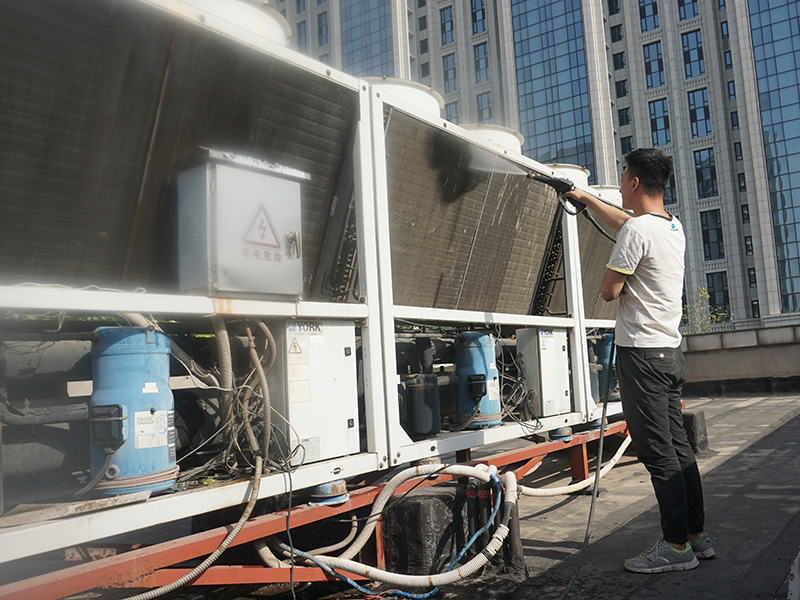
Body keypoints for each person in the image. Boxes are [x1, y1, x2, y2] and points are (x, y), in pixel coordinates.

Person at [561, 148, 715, 573]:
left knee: (658, 453)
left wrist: (628, 286)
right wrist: (585, 197)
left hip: (642, 358)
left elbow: (609, 291)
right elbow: (627, 223)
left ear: (632, 182)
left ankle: (674, 546)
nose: (621, 182)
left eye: (623, 174)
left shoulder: (637, 231)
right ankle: (695, 536)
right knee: (679, 448)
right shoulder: (671, 226)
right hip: (669, 353)